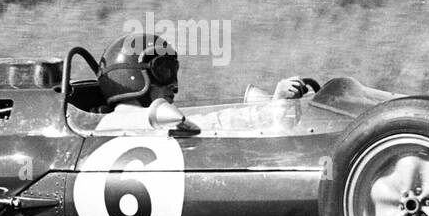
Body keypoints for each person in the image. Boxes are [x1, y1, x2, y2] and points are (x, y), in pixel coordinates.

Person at [92, 33, 312, 133]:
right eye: (164, 71)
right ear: (132, 77)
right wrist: (270, 112)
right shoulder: (122, 124)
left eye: (174, 71)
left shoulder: (153, 121)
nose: (174, 86)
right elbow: (210, 124)